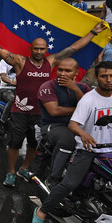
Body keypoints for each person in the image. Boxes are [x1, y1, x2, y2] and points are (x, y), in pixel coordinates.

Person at [0, 21, 106, 187]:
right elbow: (0, 51)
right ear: (31, 49)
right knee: (15, 143)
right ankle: (11, 172)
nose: (39, 51)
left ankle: (24, 168)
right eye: (36, 48)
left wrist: (93, 32)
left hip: (41, 112)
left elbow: (74, 48)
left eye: (42, 49)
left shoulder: (51, 61)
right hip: (20, 110)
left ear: (46, 50)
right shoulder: (20, 61)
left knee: (33, 143)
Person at [32, 61, 112, 223]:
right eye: (103, 76)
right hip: (86, 150)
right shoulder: (88, 99)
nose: (108, 80)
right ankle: (41, 212)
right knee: (69, 184)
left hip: (109, 149)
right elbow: (73, 124)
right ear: (98, 78)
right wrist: (83, 134)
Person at [37, 58, 90, 187]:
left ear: (76, 73)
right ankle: (53, 179)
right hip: (52, 126)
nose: (63, 73)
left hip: (77, 126)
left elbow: (91, 107)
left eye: (68, 71)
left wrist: (76, 90)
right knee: (68, 140)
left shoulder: (83, 87)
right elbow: (54, 111)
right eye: (60, 70)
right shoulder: (48, 86)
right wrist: (81, 110)